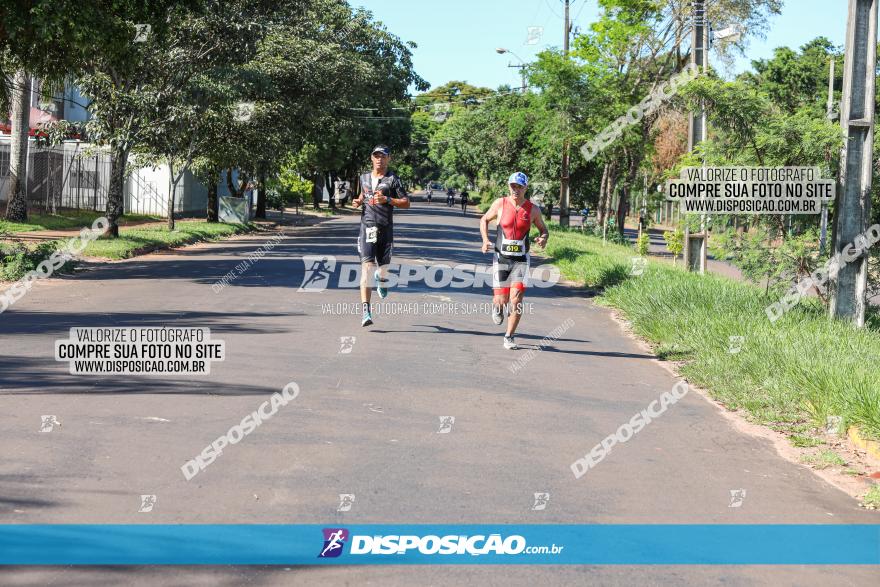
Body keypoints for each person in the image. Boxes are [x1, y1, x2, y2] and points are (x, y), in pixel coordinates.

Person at [479, 172, 549, 350]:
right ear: (509, 187)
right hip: (501, 258)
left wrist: (543, 238)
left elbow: (543, 230)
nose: (515, 190)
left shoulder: (533, 209)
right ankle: (497, 307)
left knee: (516, 300)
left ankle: (509, 336)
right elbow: (484, 219)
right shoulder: (500, 203)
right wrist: (485, 240)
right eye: (513, 186)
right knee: (501, 299)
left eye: (519, 186)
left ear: (526, 187)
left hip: (521, 260)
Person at [350, 145, 410, 327]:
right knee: (366, 269)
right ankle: (366, 311)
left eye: (383, 157)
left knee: (382, 269)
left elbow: (406, 203)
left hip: (385, 229)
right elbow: (363, 195)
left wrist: (389, 200)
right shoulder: (364, 178)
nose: (379, 160)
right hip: (367, 228)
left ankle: (382, 279)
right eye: (376, 156)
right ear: (371, 158)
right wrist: (358, 200)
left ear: (388, 159)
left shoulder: (393, 179)